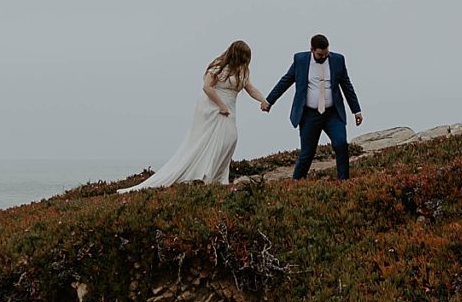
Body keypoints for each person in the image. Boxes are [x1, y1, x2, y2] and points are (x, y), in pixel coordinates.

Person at [122, 42, 269, 190]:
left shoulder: (241, 72)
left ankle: (217, 175)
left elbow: (250, 88)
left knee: (230, 139)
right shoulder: (218, 68)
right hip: (214, 107)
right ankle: (207, 175)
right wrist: (221, 105)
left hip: (230, 108)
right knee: (214, 141)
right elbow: (207, 87)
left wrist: (263, 100)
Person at [264, 32, 362, 181]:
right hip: (309, 115)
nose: (324, 57)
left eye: (326, 54)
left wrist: (356, 110)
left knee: (341, 144)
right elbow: (286, 81)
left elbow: (347, 85)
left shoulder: (338, 60)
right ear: (312, 50)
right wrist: (269, 100)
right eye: (320, 55)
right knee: (307, 153)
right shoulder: (300, 60)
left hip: (333, 113)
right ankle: (295, 183)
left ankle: (344, 182)